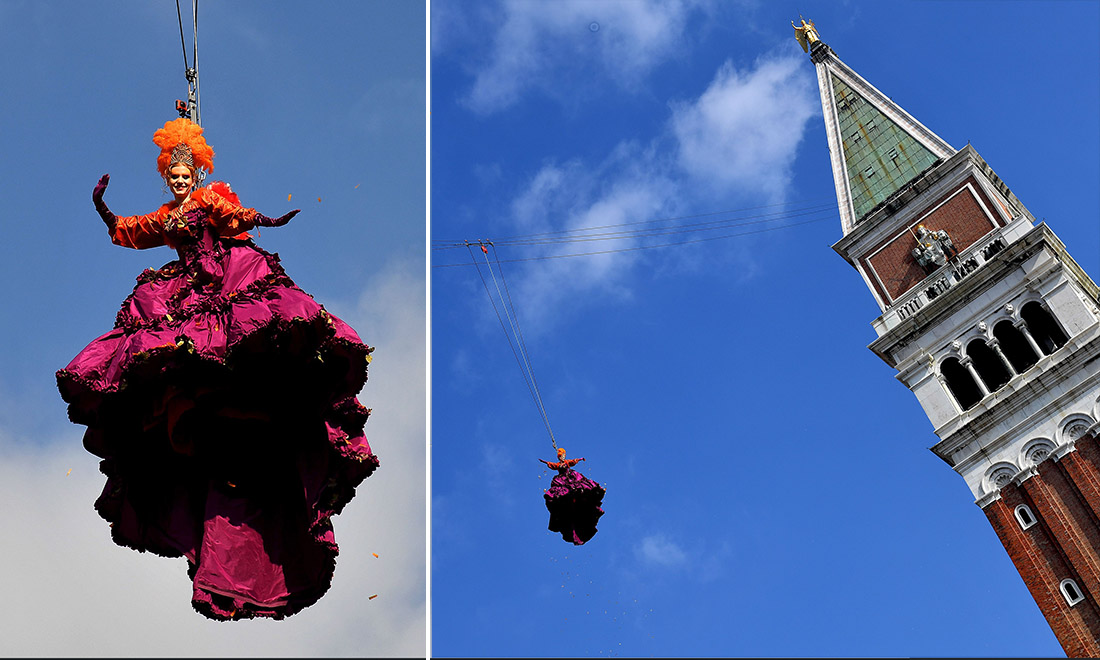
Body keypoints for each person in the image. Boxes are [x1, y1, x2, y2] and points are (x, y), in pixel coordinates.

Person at [56, 118, 378, 620]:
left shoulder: (209, 202)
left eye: (188, 174)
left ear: (196, 173)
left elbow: (236, 217)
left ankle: (236, 379)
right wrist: (102, 208)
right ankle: (202, 396)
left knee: (246, 326)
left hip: (222, 274)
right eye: (175, 176)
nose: (182, 181)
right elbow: (127, 230)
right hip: (184, 285)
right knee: (158, 327)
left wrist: (269, 221)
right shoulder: (166, 216)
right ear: (169, 178)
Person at [539, 447, 605, 545]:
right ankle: (568, 499)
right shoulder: (558, 465)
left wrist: (580, 459)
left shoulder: (566, 463)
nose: (563, 457)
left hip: (571, 477)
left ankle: (581, 495)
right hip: (562, 480)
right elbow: (552, 465)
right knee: (561, 493)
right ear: (559, 456)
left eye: (564, 455)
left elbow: (573, 461)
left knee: (580, 487)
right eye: (561, 456)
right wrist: (545, 462)